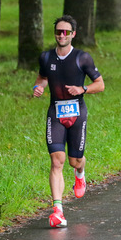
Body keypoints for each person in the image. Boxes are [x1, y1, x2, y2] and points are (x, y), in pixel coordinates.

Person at [31, 15, 105, 228]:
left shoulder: (83, 58)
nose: (61, 35)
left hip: (77, 114)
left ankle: (80, 172)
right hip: (55, 113)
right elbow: (42, 78)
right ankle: (57, 211)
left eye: (66, 32)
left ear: (73, 34)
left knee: (74, 160)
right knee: (56, 161)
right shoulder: (46, 57)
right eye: (58, 32)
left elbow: (100, 84)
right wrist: (39, 87)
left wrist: (82, 89)